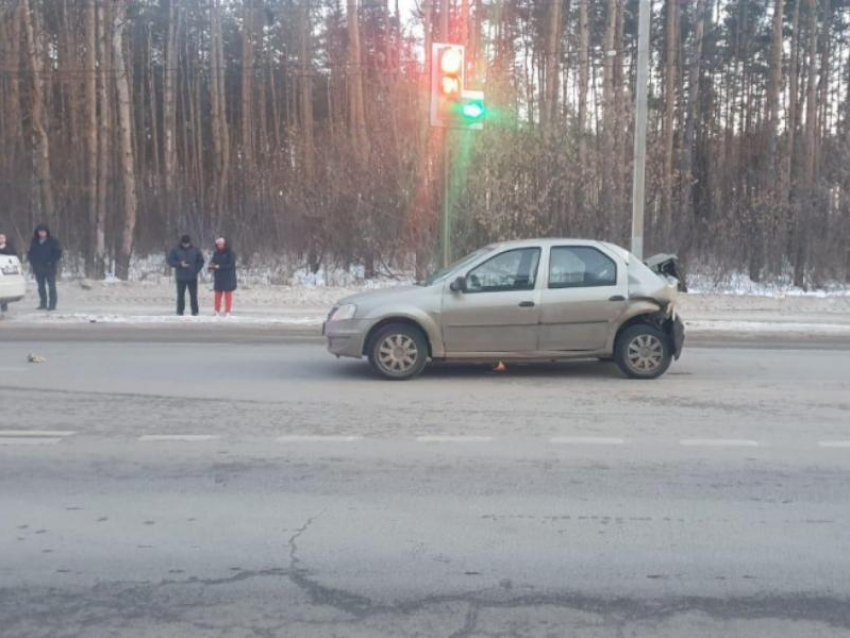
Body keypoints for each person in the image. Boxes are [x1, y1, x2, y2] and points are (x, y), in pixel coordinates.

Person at [167, 234, 204, 316]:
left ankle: (195, 312)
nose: (186, 245)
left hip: (192, 276)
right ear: (182, 243)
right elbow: (170, 260)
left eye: (187, 243)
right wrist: (179, 264)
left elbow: (201, 261)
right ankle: (180, 312)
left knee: (193, 296)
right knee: (180, 296)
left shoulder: (195, 250)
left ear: (190, 243)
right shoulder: (176, 250)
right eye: (184, 244)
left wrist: (195, 269)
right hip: (181, 277)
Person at [27, 224, 62, 311]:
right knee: (41, 287)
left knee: (51, 286)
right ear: (37, 232)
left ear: (47, 232)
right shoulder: (34, 241)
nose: (42, 233)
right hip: (38, 267)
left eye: (43, 232)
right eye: (40, 232)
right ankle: (43, 303)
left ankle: (52, 304)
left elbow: (58, 253)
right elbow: (31, 253)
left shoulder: (53, 241)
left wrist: (51, 261)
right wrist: (32, 262)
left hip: (49, 267)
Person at [208, 237, 237, 317]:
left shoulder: (230, 253)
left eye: (221, 244)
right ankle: (216, 310)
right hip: (218, 277)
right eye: (218, 244)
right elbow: (212, 262)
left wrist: (219, 267)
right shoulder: (216, 253)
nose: (219, 246)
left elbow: (230, 265)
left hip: (228, 276)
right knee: (217, 294)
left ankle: (227, 311)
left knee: (228, 294)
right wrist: (211, 267)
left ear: (224, 244)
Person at [0, 233, 18, 314]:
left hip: (5, 269)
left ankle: (4, 305)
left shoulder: (9, 247)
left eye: (2, 238)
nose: (1, 239)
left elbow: (13, 254)